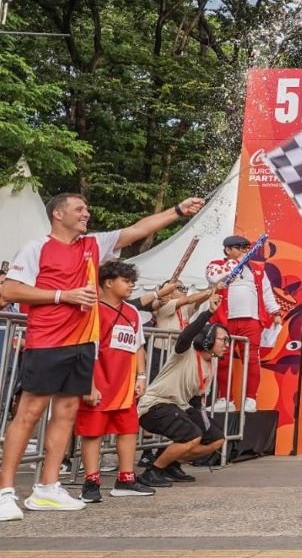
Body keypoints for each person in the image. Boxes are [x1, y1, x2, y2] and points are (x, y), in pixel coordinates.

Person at [0, 192, 202, 520]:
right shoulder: (37, 247)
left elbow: (136, 230)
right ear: (58, 214)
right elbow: (9, 290)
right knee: (29, 413)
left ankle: (47, 488)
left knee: (66, 413)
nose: (86, 214)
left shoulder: (93, 244)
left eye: (87, 209)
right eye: (79, 209)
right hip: (47, 341)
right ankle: (5, 491)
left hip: (83, 344)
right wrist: (62, 295)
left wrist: (178, 211)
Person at [75, 261, 154, 502]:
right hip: (99, 382)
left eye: (132, 282)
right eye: (126, 281)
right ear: (108, 283)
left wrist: (141, 376)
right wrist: (88, 384)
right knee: (93, 433)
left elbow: (138, 346)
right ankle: (91, 481)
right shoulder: (93, 310)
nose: (131, 286)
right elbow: (85, 349)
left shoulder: (132, 312)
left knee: (128, 430)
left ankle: (126, 479)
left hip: (125, 386)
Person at [136, 288, 229, 488]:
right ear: (208, 339)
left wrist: (204, 422)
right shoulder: (185, 352)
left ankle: (171, 462)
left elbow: (196, 399)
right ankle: (153, 471)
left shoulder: (212, 363)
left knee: (216, 439)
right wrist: (208, 312)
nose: (227, 345)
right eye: (223, 340)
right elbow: (187, 335)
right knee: (192, 435)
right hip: (155, 405)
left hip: (180, 406)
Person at [205, 235, 282, 413]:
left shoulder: (257, 269)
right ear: (227, 249)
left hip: (251, 319)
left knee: (251, 358)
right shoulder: (216, 264)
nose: (243, 251)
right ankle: (225, 399)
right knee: (223, 359)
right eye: (239, 248)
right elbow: (212, 278)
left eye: (245, 248)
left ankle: (250, 399)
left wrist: (276, 312)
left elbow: (267, 293)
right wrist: (234, 263)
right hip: (224, 319)